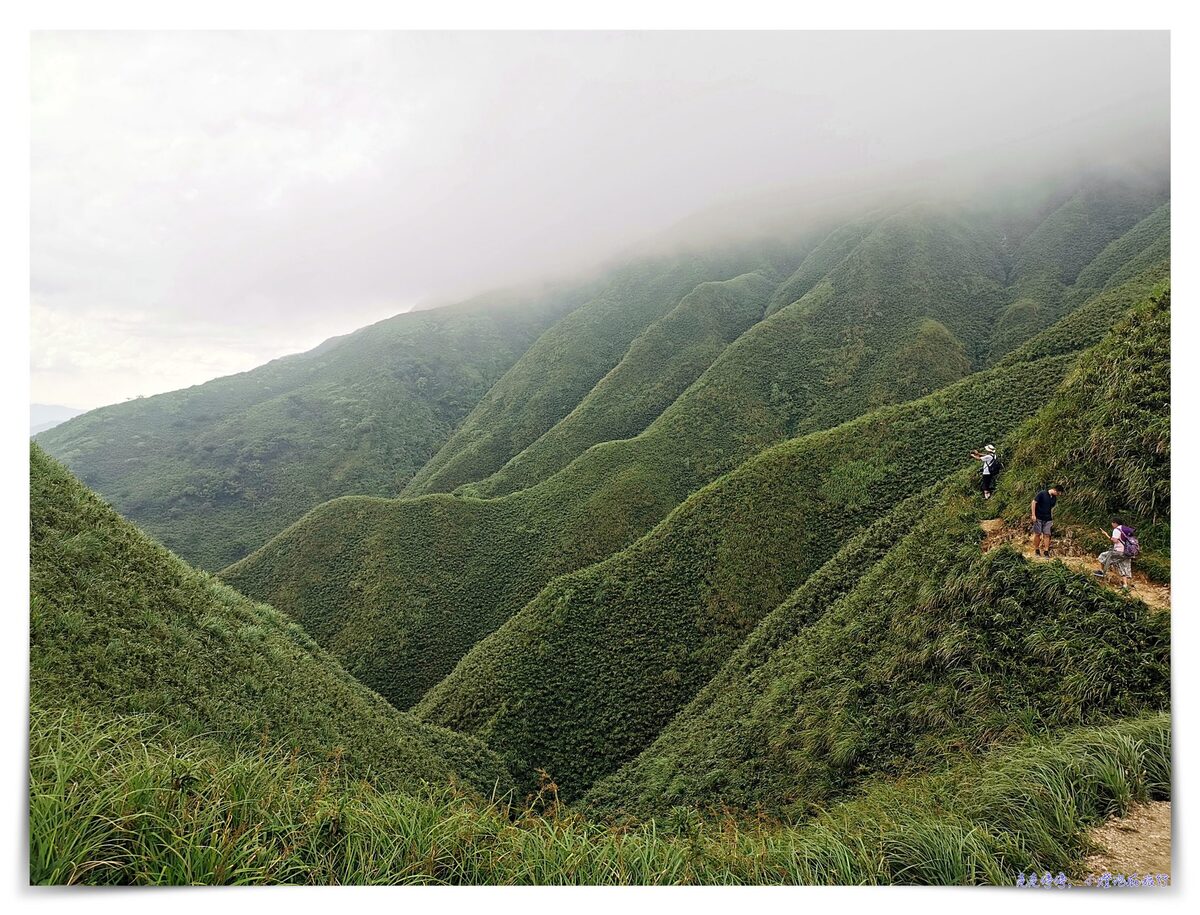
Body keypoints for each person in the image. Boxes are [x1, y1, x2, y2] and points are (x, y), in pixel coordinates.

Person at [1095, 519, 1134, 590]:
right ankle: (1125, 585)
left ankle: (1102, 572)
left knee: (1103, 556)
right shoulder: (1126, 530)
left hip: (1119, 551)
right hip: (1128, 552)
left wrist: (1106, 535)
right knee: (1123, 566)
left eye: (1112, 523)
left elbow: (1115, 540)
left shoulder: (1117, 530)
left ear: (1115, 523)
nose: (1112, 524)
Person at [1029, 485, 1060, 557]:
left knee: (1047, 535)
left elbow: (1050, 508)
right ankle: (1037, 550)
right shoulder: (1042, 493)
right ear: (1055, 490)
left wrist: (1052, 518)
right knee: (1037, 534)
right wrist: (1033, 515)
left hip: (1048, 519)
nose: (1059, 495)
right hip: (1038, 517)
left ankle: (1046, 551)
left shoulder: (1054, 498)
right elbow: (1034, 502)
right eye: (1058, 493)